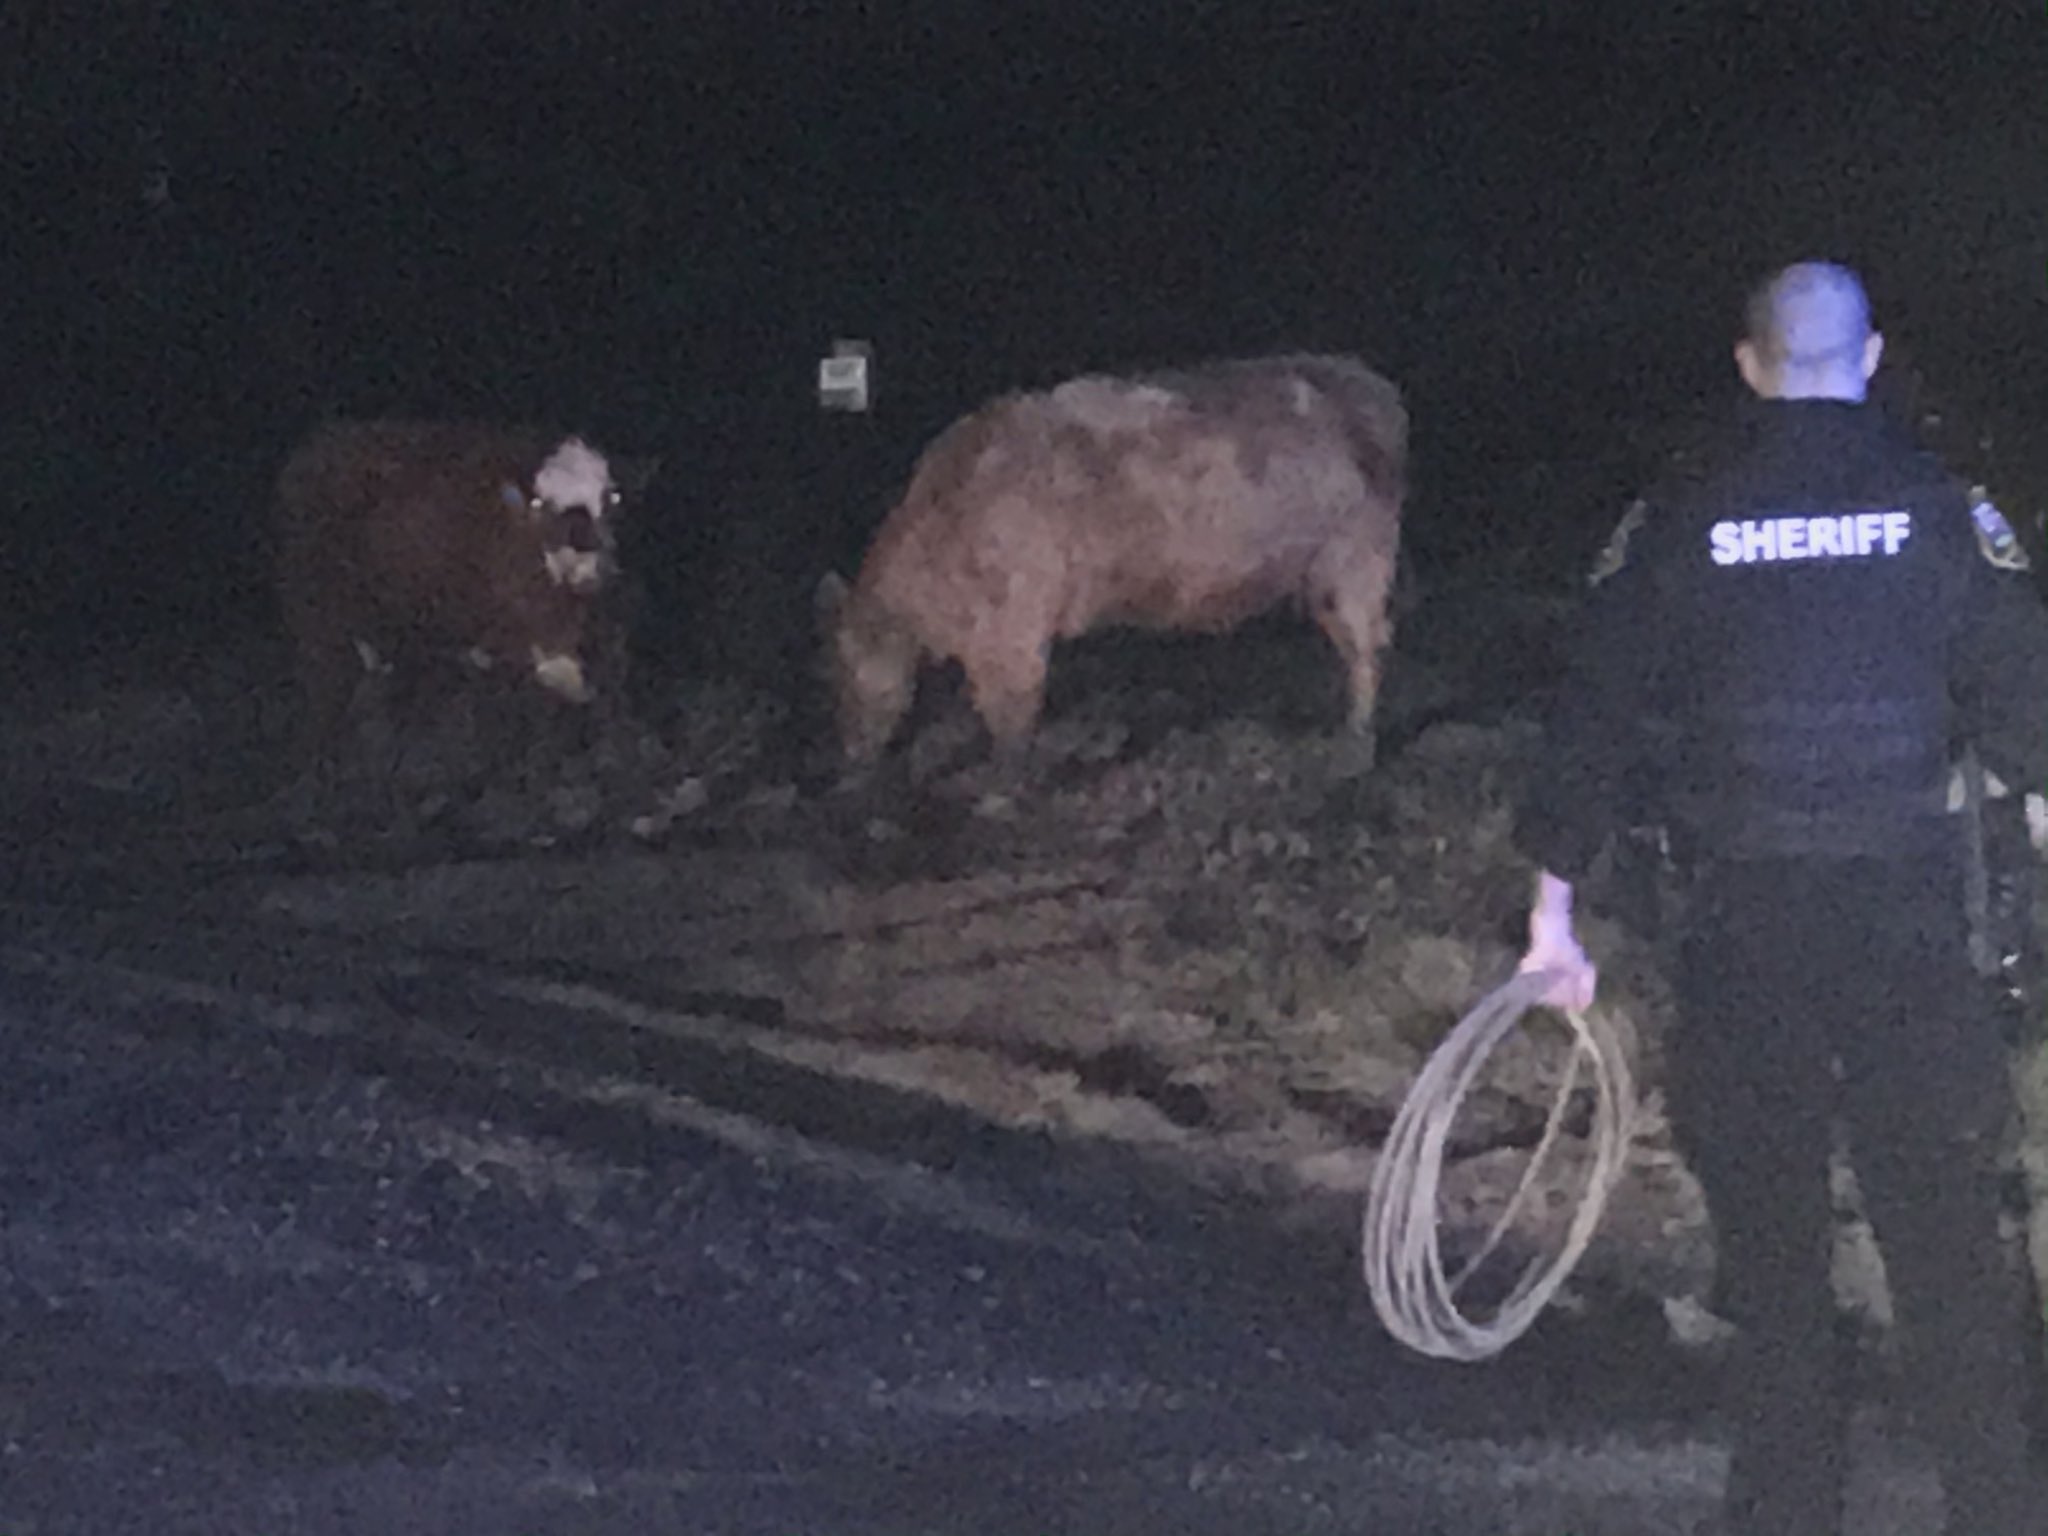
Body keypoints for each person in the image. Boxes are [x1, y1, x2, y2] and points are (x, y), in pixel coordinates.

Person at [1513, 260, 2048, 1534]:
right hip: (1912, 928)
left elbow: (1590, 723)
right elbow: (2032, 722)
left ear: (1748, 367)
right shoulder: (1942, 510)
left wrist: (1551, 926)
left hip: (1742, 930)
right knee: (1949, 1250)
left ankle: (1785, 1507)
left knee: (1770, 1256)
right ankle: (1994, 1507)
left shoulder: (1678, 519)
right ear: (1867, 359)